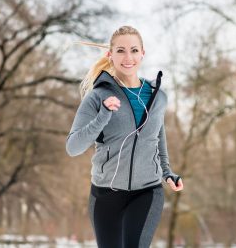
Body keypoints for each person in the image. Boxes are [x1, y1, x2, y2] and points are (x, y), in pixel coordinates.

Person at [66, 25, 183, 248]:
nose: (128, 57)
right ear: (110, 54)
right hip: (105, 195)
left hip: (147, 191)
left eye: (133, 50)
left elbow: (157, 135)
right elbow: (73, 147)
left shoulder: (158, 97)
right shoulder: (97, 97)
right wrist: (103, 115)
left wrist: (167, 173)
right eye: (120, 50)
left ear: (142, 53)